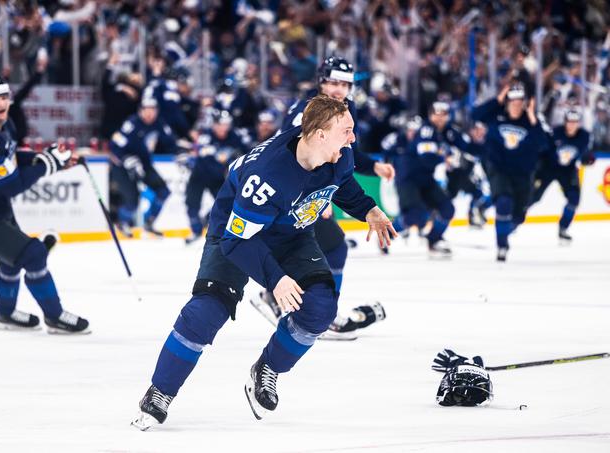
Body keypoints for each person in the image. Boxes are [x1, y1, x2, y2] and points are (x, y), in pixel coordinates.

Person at [131, 95, 397, 429]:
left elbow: (341, 185)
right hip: (237, 232)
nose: (353, 139)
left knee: (320, 308)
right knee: (207, 312)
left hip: (291, 233)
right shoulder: (267, 176)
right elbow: (237, 241)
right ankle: (160, 392)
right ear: (320, 135)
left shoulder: (338, 155)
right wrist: (276, 279)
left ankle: (267, 368)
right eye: (347, 131)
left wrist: (369, 209)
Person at [250, 56, 394, 337]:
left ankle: (289, 299)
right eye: (334, 82)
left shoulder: (341, 110)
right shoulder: (307, 112)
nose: (339, 89)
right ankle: (316, 311)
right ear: (321, 81)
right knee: (331, 247)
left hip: (309, 193)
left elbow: (344, 152)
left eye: (345, 84)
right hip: (292, 195)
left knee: (328, 247)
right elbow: (290, 156)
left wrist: (373, 166)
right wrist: (317, 197)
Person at [0, 75, 89, 334]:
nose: (2, 103)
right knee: (33, 255)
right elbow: (10, 185)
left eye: (4, 97)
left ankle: (5, 312)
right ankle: (54, 317)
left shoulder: (0, 124)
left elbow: (10, 156)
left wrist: (44, 158)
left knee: (11, 261)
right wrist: (47, 165)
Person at [473, 83, 548, 261]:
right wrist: (497, 100)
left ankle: (505, 229)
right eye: (512, 101)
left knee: (518, 216)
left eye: (519, 101)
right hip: (499, 168)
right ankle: (502, 245)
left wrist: (532, 117)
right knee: (503, 202)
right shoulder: (495, 115)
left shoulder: (532, 121)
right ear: (507, 102)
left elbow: (544, 144)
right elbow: (475, 115)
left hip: (522, 173)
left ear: (524, 103)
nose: (515, 105)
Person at [392, 101, 462, 257]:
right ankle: (387, 232)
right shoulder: (426, 130)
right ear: (430, 115)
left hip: (426, 178)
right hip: (408, 177)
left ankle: (434, 240)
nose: (440, 118)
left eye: (443, 114)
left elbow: (467, 146)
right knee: (414, 216)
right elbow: (427, 158)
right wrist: (445, 158)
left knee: (447, 209)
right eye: (436, 114)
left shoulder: (448, 131)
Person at [109, 94, 177, 236]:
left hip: (144, 164)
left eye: (153, 109)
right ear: (140, 110)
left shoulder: (159, 123)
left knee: (163, 191)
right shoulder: (131, 124)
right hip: (122, 166)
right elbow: (114, 145)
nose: (150, 113)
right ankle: (123, 222)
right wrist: (126, 159)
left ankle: (149, 222)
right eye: (146, 109)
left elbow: (171, 142)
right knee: (133, 200)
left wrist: (181, 153)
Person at [530, 107, 595, 243]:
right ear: (565, 122)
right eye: (569, 122)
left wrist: (587, 159)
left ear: (578, 123)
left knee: (574, 199)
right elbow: (543, 150)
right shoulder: (556, 133)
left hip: (568, 170)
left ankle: (563, 228)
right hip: (549, 168)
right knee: (534, 196)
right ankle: (515, 217)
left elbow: (584, 154)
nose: (572, 125)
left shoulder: (584, 136)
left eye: (575, 122)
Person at [184, 109, 248, 244]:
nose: (224, 127)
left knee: (225, 203)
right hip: (199, 175)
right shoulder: (206, 137)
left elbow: (246, 151)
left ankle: (206, 222)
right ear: (214, 125)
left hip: (217, 178)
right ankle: (195, 230)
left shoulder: (234, 136)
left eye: (227, 124)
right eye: (221, 124)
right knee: (192, 203)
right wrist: (226, 169)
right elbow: (205, 161)